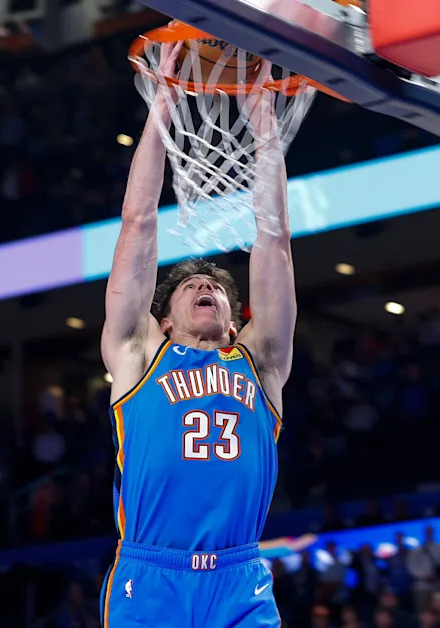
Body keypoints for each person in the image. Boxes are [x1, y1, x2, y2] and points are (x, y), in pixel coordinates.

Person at [99, 43, 294, 627]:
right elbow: (137, 225)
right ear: (163, 322)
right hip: (151, 575)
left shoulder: (260, 363)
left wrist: (265, 128)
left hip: (241, 577)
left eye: (218, 286)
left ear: (236, 321)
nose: (207, 285)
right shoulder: (138, 355)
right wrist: (163, 108)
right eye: (192, 285)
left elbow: (274, 242)